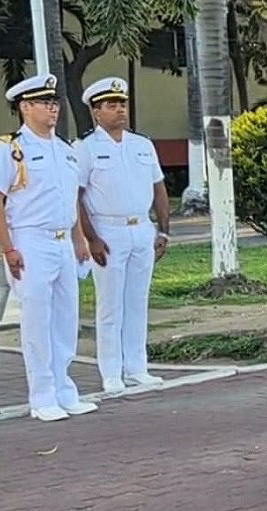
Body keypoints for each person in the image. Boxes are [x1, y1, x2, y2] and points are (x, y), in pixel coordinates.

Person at [0, 74, 99, 422]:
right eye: (44, 102)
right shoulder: (11, 148)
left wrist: (79, 239)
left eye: (55, 101)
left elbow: (69, 201)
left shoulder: (64, 149)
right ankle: (42, 395)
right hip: (30, 239)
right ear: (24, 107)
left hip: (63, 240)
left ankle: (65, 389)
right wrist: (8, 247)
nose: (53, 107)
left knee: (65, 320)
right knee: (37, 322)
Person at [74, 77, 170, 394]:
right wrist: (91, 238)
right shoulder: (86, 148)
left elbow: (159, 187)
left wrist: (164, 230)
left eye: (122, 104)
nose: (120, 110)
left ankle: (137, 367)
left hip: (141, 228)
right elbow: (76, 195)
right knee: (111, 305)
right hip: (108, 229)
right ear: (96, 112)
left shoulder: (142, 145)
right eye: (111, 105)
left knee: (137, 302)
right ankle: (111, 371)